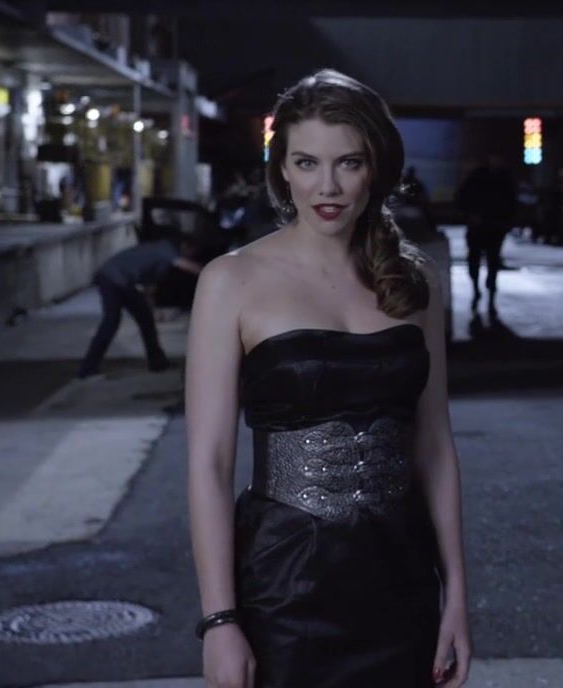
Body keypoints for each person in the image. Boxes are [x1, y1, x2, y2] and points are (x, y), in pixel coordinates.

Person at [185, 69, 472, 688]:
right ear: (282, 171)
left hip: (401, 580)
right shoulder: (231, 281)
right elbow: (209, 462)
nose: (328, 186)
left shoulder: (415, 280)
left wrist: (456, 597)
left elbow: (434, 446)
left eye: (349, 162)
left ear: (377, 168)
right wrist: (219, 620)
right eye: (307, 162)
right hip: (282, 587)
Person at [76, 231, 204, 378]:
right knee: (110, 322)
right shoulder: (166, 248)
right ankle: (87, 369)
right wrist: (210, 272)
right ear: (185, 246)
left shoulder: (163, 264)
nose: (190, 256)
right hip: (112, 278)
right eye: (191, 252)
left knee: (146, 320)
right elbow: (185, 265)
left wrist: (153, 311)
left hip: (124, 283)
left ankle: (157, 362)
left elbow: (149, 289)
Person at [456, 154, 517, 311]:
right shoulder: (501, 178)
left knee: (476, 259)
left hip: (480, 225)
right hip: (493, 225)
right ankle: (488, 291)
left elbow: (461, 199)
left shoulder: (476, 177)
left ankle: (478, 289)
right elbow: (511, 202)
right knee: (492, 260)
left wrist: (469, 215)